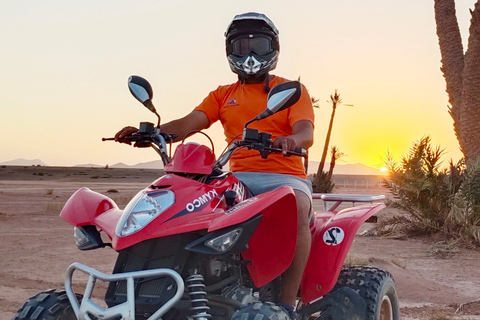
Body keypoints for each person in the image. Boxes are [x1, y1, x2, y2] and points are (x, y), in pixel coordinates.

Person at [116, 12, 314, 319]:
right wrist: (153, 132)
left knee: (298, 206)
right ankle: (191, 288)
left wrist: (290, 141)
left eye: (258, 46)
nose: (250, 54)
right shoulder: (223, 95)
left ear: (272, 48)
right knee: (188, 209)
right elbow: (188, 123)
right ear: (229, 51)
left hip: (283, 176)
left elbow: (306, 132)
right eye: (242, 46)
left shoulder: (289, 90)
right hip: (236, 177)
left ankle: (288, 304)